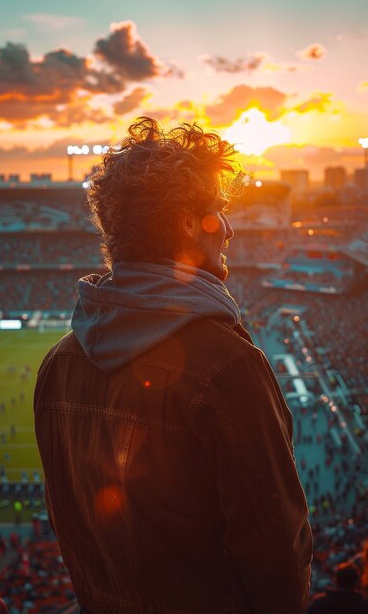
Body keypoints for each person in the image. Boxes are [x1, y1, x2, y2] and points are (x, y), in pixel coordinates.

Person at [34, 117, 312, 614]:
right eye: (218, 211)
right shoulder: (226, 366)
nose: (228, 229)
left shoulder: (57, 365)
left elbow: (70, 528)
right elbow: (276, 551)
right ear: (187, 223)